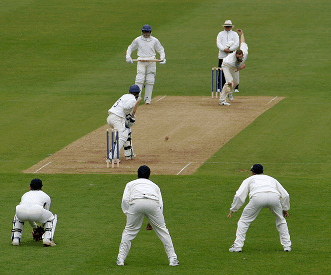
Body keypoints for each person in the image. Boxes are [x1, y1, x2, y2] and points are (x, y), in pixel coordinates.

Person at [116, 165, 179, 266]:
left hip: (135, 203)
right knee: (163, 230)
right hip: (152, 203)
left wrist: (128, 213)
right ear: (149, 176)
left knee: (129, 231)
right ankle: (173, 259)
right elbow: (160, 204)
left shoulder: (130, 184)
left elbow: (124, 200)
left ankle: (121, 258)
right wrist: (152, 221)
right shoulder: (154, 185)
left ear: (137, 175)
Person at [227, 164, 292, 252]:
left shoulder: (249, 179)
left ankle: (238, 246)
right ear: (263, 172)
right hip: (274, 197)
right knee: (281, 220)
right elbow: (285, 195)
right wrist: (285, 209)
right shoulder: (271, 179)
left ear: (252, 172)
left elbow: (239, 195)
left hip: (257, 197)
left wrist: (233, 209)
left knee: (244, 221)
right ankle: (287, 246)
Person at [126, 24, 166, 104]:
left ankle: (148, 99)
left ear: (150, 32)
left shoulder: (154, 40)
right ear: (142, 32)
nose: (146, 34)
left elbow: (160, 49)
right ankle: (137, 98)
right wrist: (128, 56)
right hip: (141, 61)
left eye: (147, 32)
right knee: (139, 79)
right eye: (145, 32)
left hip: (151, 61)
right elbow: (130, 47)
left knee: (150, 80)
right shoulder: (138, 40)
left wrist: (162, 58)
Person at [11, 178, 57, 247]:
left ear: (30, 187)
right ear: (41, 187)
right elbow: (45, 215)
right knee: (51, 217)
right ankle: (47, 239)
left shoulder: (25, 195)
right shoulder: (46, 196)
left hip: (20, 211)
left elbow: (28, 213)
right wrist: (40, 228)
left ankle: (16, 238)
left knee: (18, 216)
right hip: (37, 211)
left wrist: (35, 227)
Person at [107, 84, 141, 161]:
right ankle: (112, 156)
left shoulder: (125, 95)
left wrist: (129, 117)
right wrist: (128, 116)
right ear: (138, 93)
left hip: (111, 118)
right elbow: (126, 108)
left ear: (129, 91)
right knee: (122, 135)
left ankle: (129, 154)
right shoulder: (133, 100)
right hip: (117, 118)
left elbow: (123, 108)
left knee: (127, 131)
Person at [219, 29, 248, 106]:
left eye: (240, 58)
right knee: (229, 82)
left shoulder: (245, 51)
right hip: (226, 65)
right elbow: (237, 67)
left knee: (236, 82)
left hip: (234, 67)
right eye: (238, 58)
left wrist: (241, 34)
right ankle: (222, 100)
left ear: (242, 55)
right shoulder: (231, 60)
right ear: (236, 55)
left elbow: (243, 42)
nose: (239, 59)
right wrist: (240, 67)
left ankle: (230, 93)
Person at [216, 20, 239, 93]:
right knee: (222, 71)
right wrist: (224, 49)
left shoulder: (234, 34)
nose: (227, 28)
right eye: (226, 27)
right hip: (222, 56)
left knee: (233, 70)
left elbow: (237, 44)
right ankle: (220, 87)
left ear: (231, 27)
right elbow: (218, 43)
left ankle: (235, 87)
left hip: (232, 55)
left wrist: (230, 50)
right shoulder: (220, 34)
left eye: (229, 27)